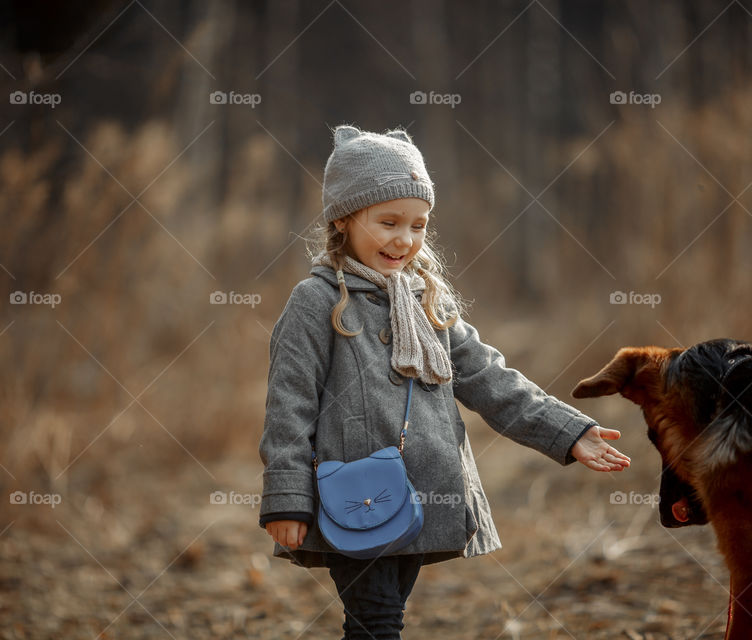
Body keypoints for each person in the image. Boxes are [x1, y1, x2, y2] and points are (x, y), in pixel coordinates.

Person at [259, 125, 630, 639]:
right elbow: (288, 404)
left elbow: (487, 376)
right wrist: (286, 497)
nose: (404, 239)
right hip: (352, 497)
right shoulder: (316, 301)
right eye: (388, 222)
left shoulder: (429, 303)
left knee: (379, 622)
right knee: (376, 623)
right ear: (342, 218)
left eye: (418, 225)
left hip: (423, 494)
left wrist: (568, 432)